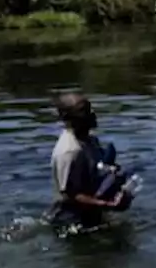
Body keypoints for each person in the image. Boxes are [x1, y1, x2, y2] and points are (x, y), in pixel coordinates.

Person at [48, 93, 124, 228]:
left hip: (91, 214)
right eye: (84, 111)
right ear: (68, 117)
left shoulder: (90, 140)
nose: (93, 113)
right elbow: (70, 195)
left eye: (91, 108)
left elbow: (98, 170)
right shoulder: (70, 151)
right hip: (71, 221)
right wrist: (108, 205)